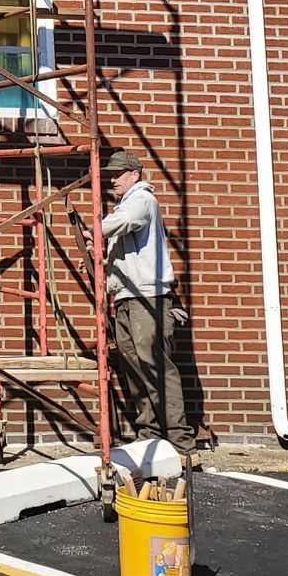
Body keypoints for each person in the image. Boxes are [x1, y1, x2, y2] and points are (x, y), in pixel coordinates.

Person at [96, 148, 195, 456]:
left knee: (155, 369)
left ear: (135, 175)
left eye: (118, 174)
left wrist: (92, 230)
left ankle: (181, 442)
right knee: (136, 370)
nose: (113, 179)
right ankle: (149, 433)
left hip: (147, 299)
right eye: (110, 174)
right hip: (128, 300)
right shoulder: (125, 205)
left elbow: (123, 222)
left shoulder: (141, 199)